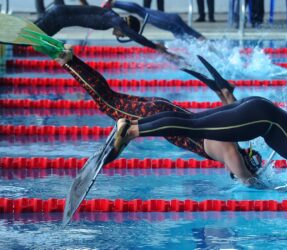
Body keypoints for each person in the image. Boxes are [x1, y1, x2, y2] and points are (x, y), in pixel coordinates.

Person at [21, 30, 263, 186]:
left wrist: (226, 96)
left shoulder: (230, 135)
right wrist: (257, 182)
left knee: (111, 99)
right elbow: (247, 181)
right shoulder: (228, 149)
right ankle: (68, 61)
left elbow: (235, 111)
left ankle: (69, 60)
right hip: (159, 115)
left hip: (165, 109)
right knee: (109, 104)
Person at [112, 85, 287, 222]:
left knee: (191, 120)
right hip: (261, 118)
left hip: (261, 111)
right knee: (192, 126)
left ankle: (132, 124)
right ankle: (132, 131)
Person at [34, 4, 169, 53]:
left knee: (32, 38)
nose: (121, 36)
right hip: (57, 17)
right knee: (30, 38)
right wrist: (154, 46)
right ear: (126, 27)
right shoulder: (114, 19)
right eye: (124, 35)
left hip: (58, 19)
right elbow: (134, 35)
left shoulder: (111, 17)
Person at [102, 0, 205, 40]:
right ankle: (114, 3)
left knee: (141, 11)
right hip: (173, 24)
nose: (115, 34)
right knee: (141, 11)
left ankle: (114, 3)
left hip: (172, 24)